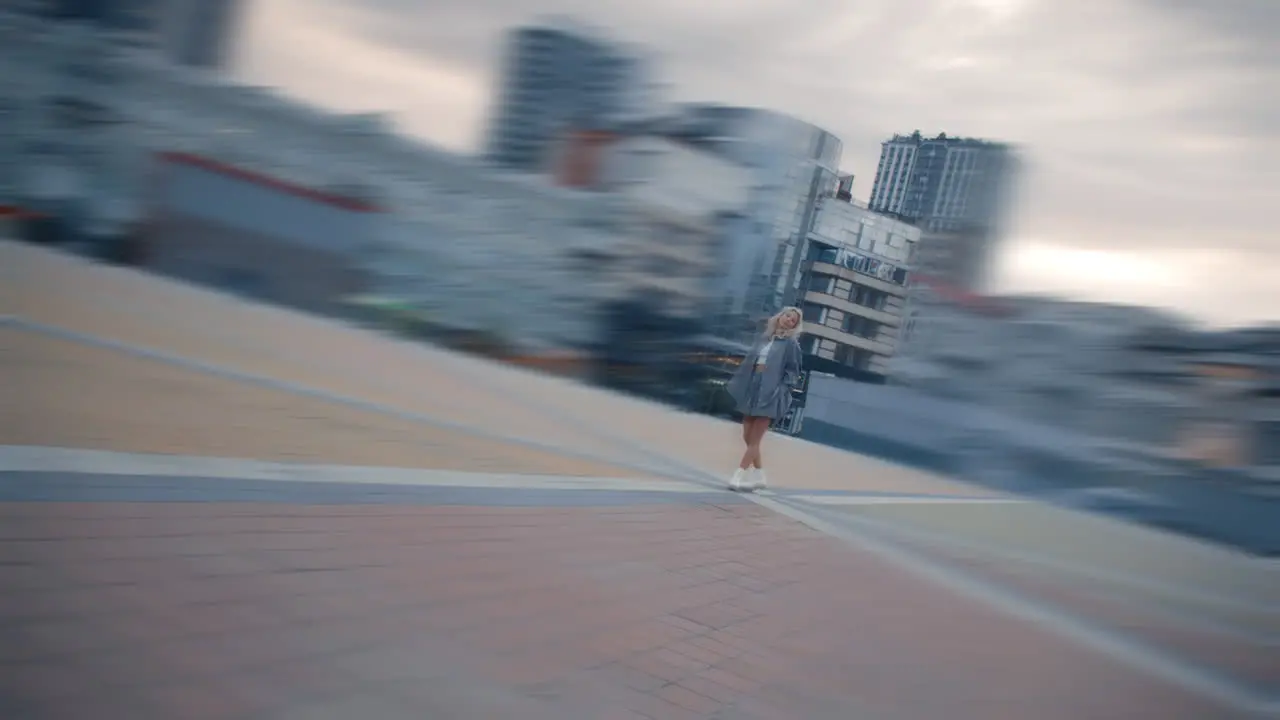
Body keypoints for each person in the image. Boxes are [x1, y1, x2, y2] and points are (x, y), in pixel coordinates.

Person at [724, 307, 803, 491]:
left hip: (772, 391)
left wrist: (781, 389)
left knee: (755, 440)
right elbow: (750, 361)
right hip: (753, 387)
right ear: (780, 316)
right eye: (787, 316)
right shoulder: (764, 338)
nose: (788, 320)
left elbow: (793, 372)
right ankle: (760, 475)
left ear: (795, 326)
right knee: (747, 436)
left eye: (793, 320)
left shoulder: (791, 345)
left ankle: (738, 474)